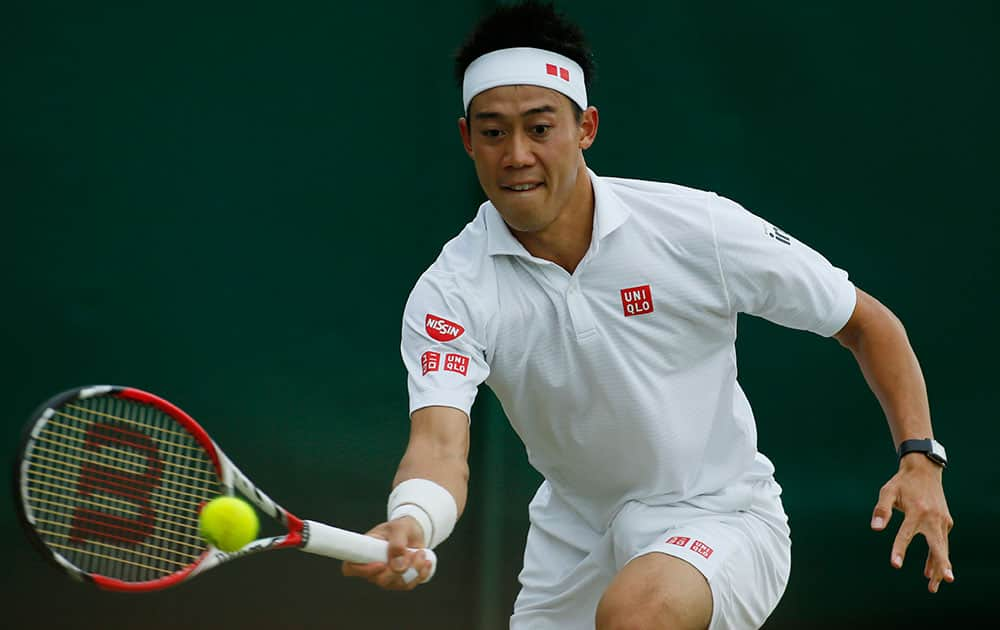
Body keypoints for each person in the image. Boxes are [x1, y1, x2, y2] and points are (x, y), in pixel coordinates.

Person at [342, 2, 954, 628]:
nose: (517, 155)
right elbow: (440, 447)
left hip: (720, 517)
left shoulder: (697, 229)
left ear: (586, 129)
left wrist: (920, 458)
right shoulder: (451, 291)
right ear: (468, 139)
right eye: (494, 132)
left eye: (540, 128)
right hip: (575, 545)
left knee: (638, 614)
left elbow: (867, 322)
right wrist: (415, 519)